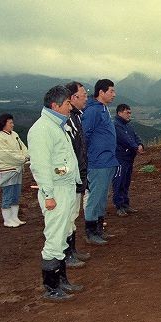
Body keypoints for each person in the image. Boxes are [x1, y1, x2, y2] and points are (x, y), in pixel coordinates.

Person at [27, 85, 84, 301]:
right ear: (55, 105)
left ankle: (62, 281)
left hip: (66, 188)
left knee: (63, 234)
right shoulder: (42, 129)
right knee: (54, 238)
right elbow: (40, 166)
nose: (70, 107)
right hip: (56, 191)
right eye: (68, 103)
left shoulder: (57, 126)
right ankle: (51, 287)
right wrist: (48, 195)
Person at [81, 78, 118, 245]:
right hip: (98, 162)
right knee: (95, 197)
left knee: (102, 197)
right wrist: (88, 157)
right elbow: (84, 136)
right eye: (111, 91)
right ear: (101, 92)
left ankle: (99, 229)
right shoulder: (93, 111)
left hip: (107, 160)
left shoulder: (103, 108)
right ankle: (91, 232)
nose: (114, 94)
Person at [62, 81, 91, 268]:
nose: (86, 98)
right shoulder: (68, 121)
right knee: (67, 216)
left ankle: (71, 250)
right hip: (70, 178)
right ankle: (66, 254)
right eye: (83, 95)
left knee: (73, 214)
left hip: (78, 175)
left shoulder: (76, 117)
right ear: (73, 98)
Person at [0, 113, 30, 227]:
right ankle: (7, 220)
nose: (13, 125)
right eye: (10, 123)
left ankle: (14, 217)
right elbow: (5, 154)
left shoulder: (14, 134)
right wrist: (22, 159)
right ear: (4, 123)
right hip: (8, 170)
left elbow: (23, 147)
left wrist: (26, 156)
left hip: (18, 168)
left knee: (16, 194)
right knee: (8, 193)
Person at [113, 103, 144, 216]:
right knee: (119, 182)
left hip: (129, 158)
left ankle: (125, 204)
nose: (129, 115)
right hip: (120, 158)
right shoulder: (116, 125)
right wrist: (136, 147)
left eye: (130, 112)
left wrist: (140, 144)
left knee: (126, 182)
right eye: (127, 112)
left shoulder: (128, 125)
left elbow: (135, 136)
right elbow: (125, 139)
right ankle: (119, 206)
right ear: (120, 113)